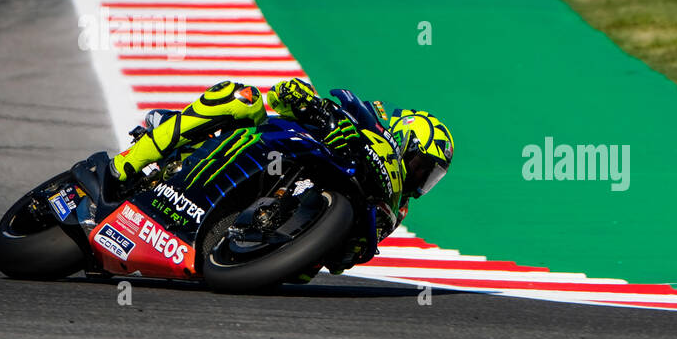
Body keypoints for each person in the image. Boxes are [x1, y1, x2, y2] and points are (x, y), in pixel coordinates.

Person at [110, 78, 453, 271]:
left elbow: (347, 260)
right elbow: (280, 94)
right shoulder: (367, 119)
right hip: (269, 146)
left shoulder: (391, 210)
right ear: (405, 141)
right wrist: (305, 101)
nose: (421, 179)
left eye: (430, 177)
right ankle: (126, 164)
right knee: (241, 97)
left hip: (276, 269)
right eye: (423, 166)